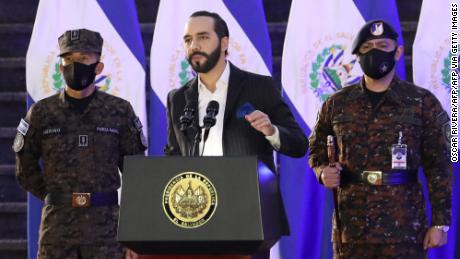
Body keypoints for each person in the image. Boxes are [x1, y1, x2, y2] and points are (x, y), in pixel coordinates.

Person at [141, 11, 308, 259]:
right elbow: (174, 156)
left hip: (247, 217)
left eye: (203, 37)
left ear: (224, 42)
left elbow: (298, 144)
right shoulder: (177, 99)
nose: (194, 46)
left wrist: (271, 131)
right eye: (188, 40)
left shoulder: (259, 87)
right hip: (194, 216)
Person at [308, 20, 452, 258]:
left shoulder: (421, 102)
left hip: (404, 227)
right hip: (352, 229)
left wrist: (440, 223)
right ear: (358, 54)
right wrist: (322, 170)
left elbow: (440, 165)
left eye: (383, 45)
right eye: (367, 47)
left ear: (397, 51)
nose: (375, 51)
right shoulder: (337, 103)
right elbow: (316, 145)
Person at [13, 28, 146, 259]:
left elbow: (137, 174)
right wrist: (54, 195)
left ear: (98, 67)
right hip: (57, 229)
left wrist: (133, 235)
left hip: (107, 229)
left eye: (83, 58)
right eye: (68, 59)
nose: (75, 65)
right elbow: (25, 167)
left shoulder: (119, 111)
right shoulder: (42, 113)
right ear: (61, 67)